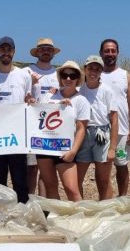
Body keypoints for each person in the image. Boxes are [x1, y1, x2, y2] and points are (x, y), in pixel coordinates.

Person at [0, 36, 32, 203]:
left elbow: (29, 101)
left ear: (14, 52)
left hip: (18, 138)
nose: (6, 52)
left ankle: (23, 213)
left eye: (9, 49)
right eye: (3, 49)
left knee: (20, 181)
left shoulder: (24, 76)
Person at [35, 60, 89, 201]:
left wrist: (73, 151)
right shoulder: (49, 96)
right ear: (60, 77)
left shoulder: (81, 100)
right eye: (65, 75)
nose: (68, 79)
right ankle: (55, 218)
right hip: (44, 148)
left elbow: (81, 128)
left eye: (73, 75)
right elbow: (38, 113)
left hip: (65, 148)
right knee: (50, 186)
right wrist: (58, 104)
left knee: (71, 189)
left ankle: (82, 220)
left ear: (78, 78)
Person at [76, 56, 119, 200]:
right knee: (77, 178)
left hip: (102, 133)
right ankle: (79, 210)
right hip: (82, 133)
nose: (93, 72)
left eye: (97, 69)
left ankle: (107, 210)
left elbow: (114, 118)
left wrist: (112, 147)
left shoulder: (107, 91)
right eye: (90, 68)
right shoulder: (78, 90)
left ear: (101, 71)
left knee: (103, 179)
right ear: (85, 69)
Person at [23, 38, 62, 197]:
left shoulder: (59, 73)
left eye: (49, 49)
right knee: (31, 167)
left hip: (52, 126)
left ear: (53, 52)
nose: (46, 51)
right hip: (32, 126)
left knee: (48, 168)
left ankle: (44, 201)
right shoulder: (26, 71)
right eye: (42, 49)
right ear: (37, 52)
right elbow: (21, 95)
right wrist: (28, 93)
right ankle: (29, 198)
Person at [99, 39, 130, 196]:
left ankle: (122, 198)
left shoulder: (125, 75)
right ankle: (105, 199)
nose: (110, 54)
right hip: (100, 130)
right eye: (106, 51)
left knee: (121, 165)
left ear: (117, 53)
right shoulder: (94, 74)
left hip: (121, 130)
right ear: (101, 53)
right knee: (102, 167)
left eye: (113, 50)